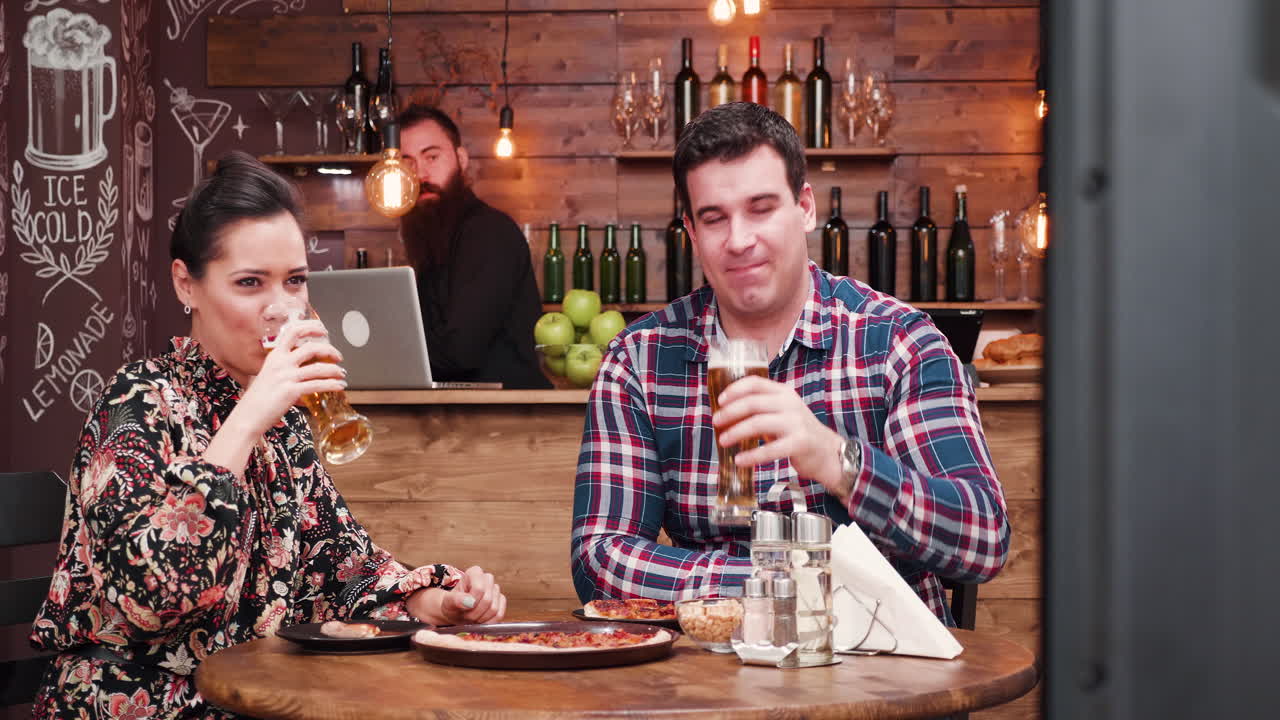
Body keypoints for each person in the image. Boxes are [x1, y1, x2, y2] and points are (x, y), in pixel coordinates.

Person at [28, 152, 508, 718]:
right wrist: (248, 420)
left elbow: (341, 564)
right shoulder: (137, 402)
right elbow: (152, 601)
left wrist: (435, 602)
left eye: (295, 282)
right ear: (187, 284)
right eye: (250, 283)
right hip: (140, 705)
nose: (281, 308)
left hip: (260, 698)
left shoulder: (285, 419)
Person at [570, 103, 1009, 623]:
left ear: (805, 207)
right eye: (714, 218)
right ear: (690, 231)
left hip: (883, 667)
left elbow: (983, 539)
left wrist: (835, 460)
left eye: (761, 208)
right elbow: (600, 557)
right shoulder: (640, 360)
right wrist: (783, 580)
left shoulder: (896, 342)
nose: (739, 240)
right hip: (713, 677)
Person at [395, 104, 550, 389]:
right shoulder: (433, 234)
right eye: (407, 162)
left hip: (509, 418)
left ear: (461, 159)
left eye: (432, 157)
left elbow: (460, 352)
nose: (420, 174)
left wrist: (387, 351)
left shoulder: (487, 232)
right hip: (460, 416)